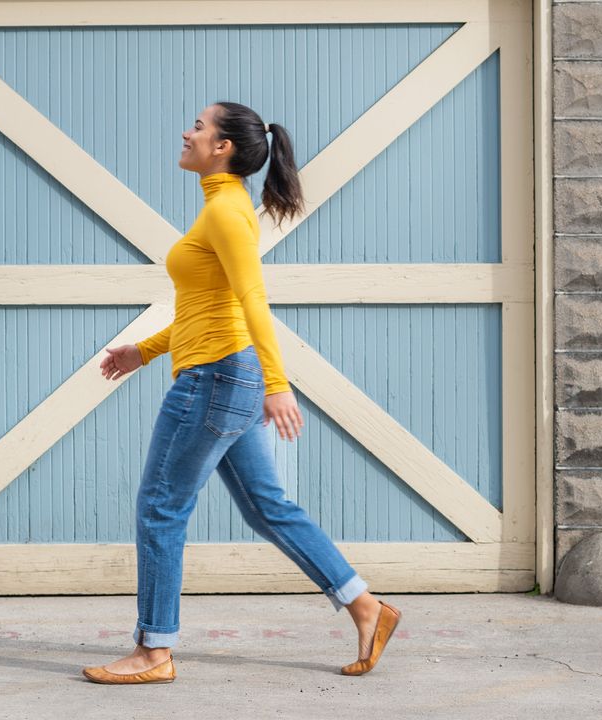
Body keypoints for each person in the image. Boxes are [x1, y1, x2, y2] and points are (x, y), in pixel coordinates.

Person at [82, 101, 401, 685]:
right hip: (223, 373)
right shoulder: (219, 210)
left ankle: (154, 651)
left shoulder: (228, 213)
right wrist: (144, 351)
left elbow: (253, 301)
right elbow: (211, 309)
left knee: (160, 508)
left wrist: (277, 385)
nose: (187, 132)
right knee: (266, 507)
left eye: (199, 126)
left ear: (223, 147)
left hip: (215, 380)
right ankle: (365, 606)